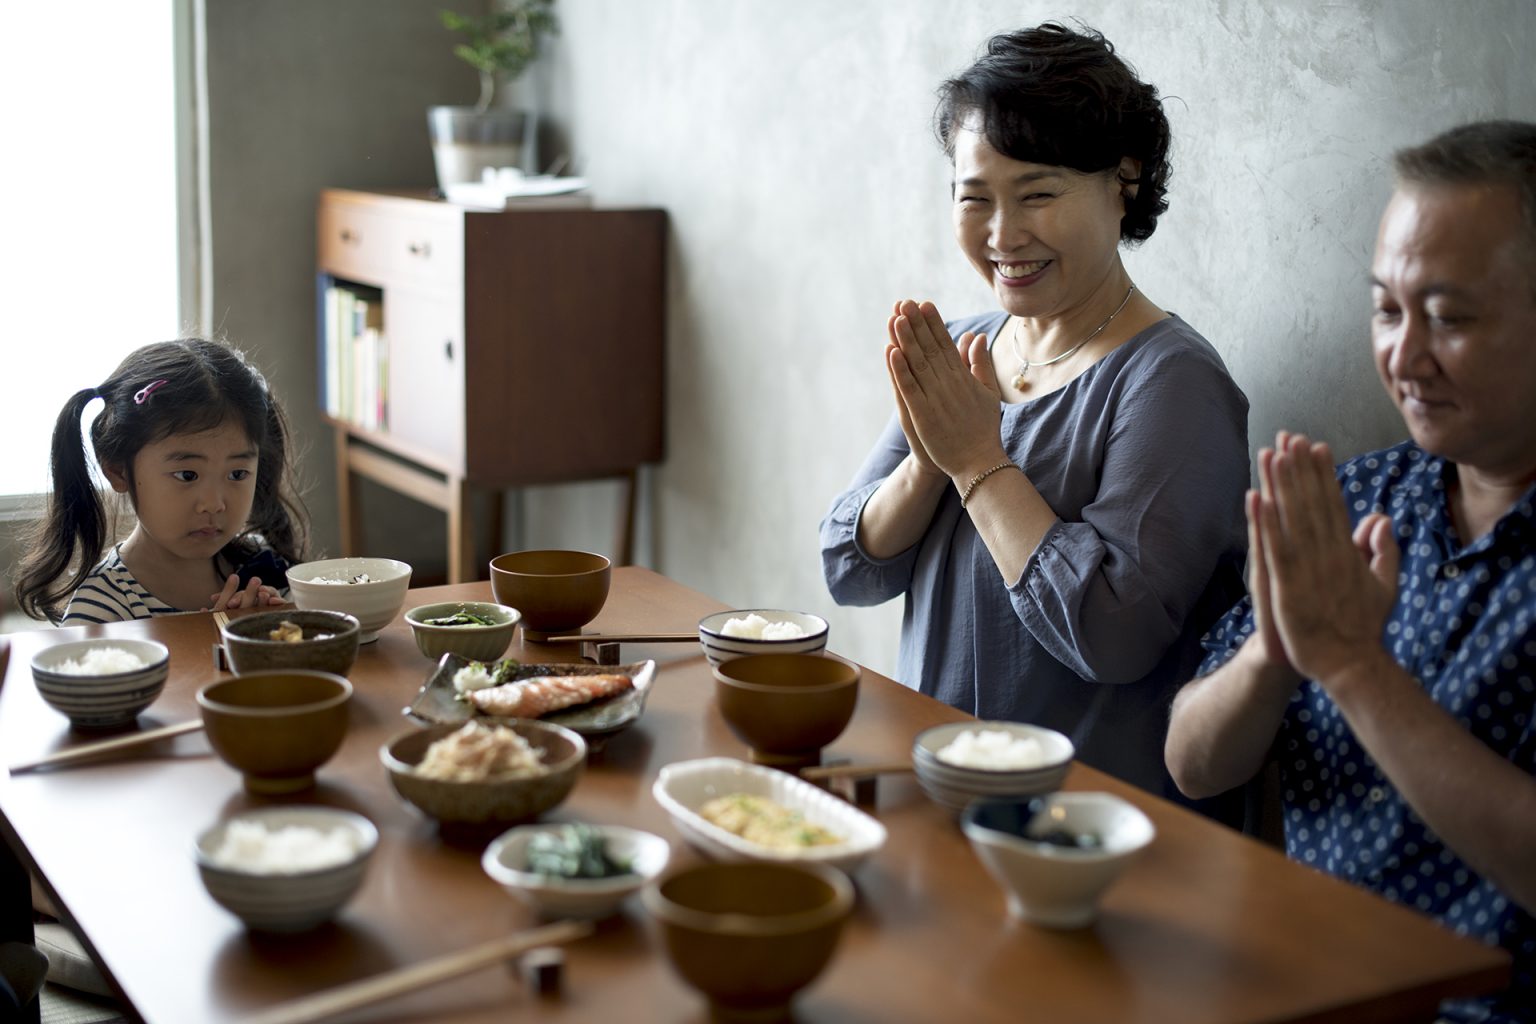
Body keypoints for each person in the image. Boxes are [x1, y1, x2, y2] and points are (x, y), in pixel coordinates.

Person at [820, 23, 1249, 807]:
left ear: (1125, 178)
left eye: (1039, 194)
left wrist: (979, 463)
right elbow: (849, 567)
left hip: (1085, 832)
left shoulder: (1174, 382)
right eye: (974, 197)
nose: (1002, 235)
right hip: (938, 787)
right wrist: (930, 462)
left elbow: (1115, 635)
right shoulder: (962, 344)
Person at [1165, 121, 1536, 1022]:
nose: (1403, 358)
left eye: (1447, 317)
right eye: (1386, 309)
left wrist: (1355, 667)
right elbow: (1192, 761)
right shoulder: (1356, 497)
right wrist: (1276, 656)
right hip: (1293, 984)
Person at [14, 338, 309, 625]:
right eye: (187, 475)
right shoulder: (102, 609)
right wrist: (221, 644)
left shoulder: (264, 570)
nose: (214, 504)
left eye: (237, 474)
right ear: (118, 470)